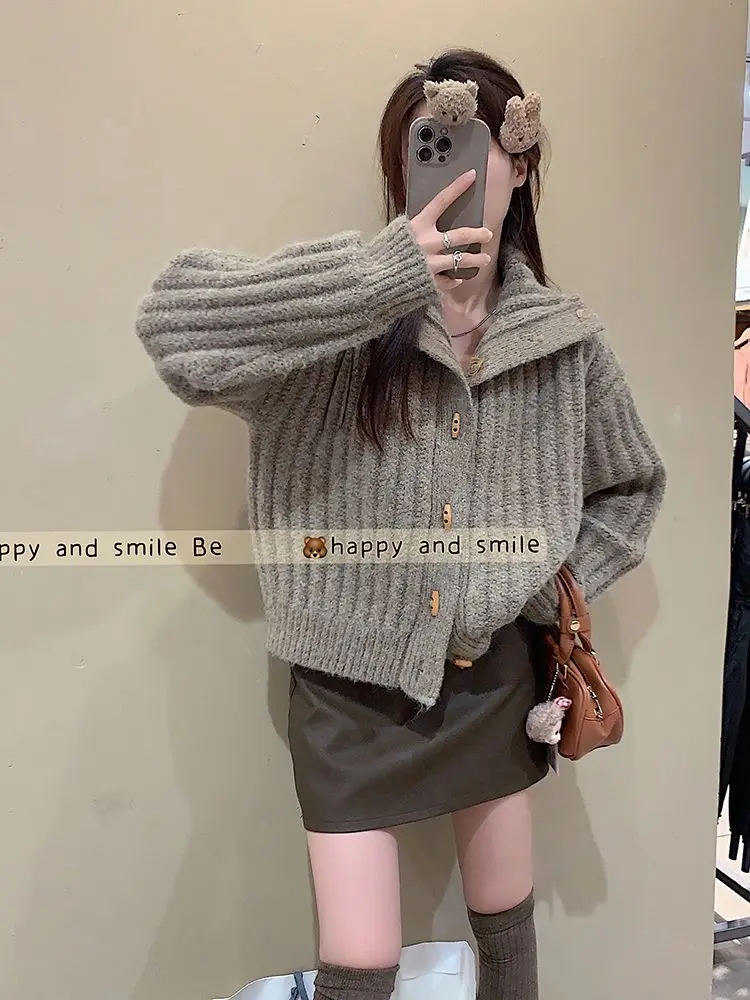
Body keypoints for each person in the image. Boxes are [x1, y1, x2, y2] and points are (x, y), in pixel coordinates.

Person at [136, 47, 666, 1000]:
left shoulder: (565, 343)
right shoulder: (335, 333)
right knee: (360, 960)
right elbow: (175, 328)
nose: (453, 169)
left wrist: (543, 586)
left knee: (507, 926)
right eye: (428, 146)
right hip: (345, 697)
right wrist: (377, 277)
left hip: (496, 681)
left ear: (520, 162)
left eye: (475, 144)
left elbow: (631, 488)